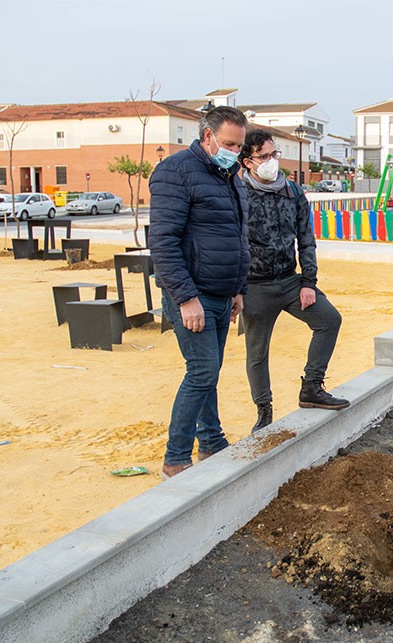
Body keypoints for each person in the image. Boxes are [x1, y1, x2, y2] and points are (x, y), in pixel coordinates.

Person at [149, 106, 251, 478]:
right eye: (228, 144)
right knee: (202, 371)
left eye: (239, 146)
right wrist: (186, 297)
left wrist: (238, 288)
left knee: (211, 371)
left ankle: (211, 443)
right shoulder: (175, 172)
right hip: (193, 295)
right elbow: (162, 242)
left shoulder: (228, 175)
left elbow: (237, 236)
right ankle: (175, 458)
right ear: (207, 136)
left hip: (223, 294)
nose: (235, 152)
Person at [239, 127, 349, 432]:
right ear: (248, 161)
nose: (272, 160)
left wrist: (308, 282)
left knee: (329, 320)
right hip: (255, 286)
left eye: (274, 153)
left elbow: (306, 239)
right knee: (257, 352)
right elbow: (234, 243)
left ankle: (312, 387)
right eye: (264, 155)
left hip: (290, 281)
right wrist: (237, 289)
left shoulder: (293, 191)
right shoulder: (237, 193)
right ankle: (264, 410)